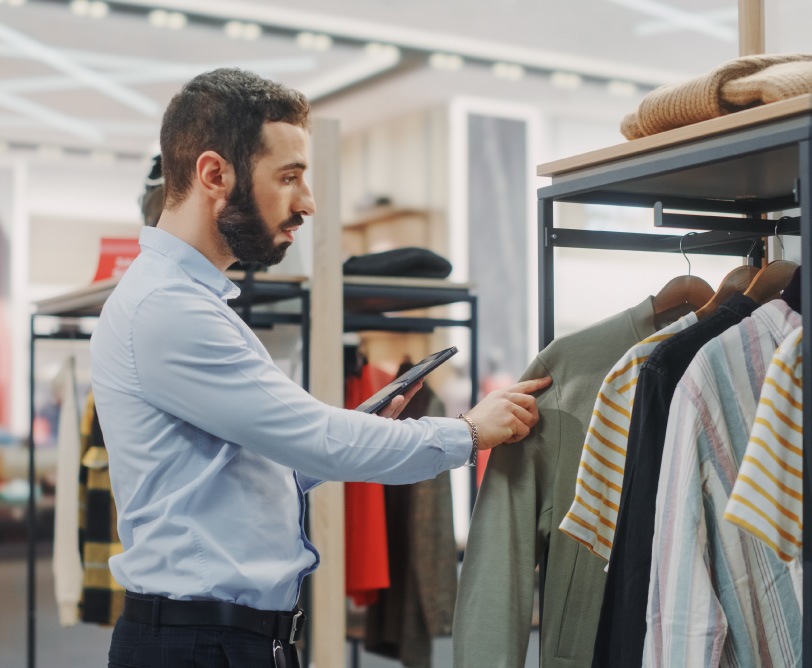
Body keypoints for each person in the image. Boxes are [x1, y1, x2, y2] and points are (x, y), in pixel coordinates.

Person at [90, 68, 550, 668]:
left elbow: (245, 476)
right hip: (198, 644)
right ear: (213, 174)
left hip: (225, 639)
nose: (306, 202)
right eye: (289, 177)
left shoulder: (191, 302)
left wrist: (362, 428)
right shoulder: (168, 310)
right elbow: (317, 440)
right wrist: (466, 434)